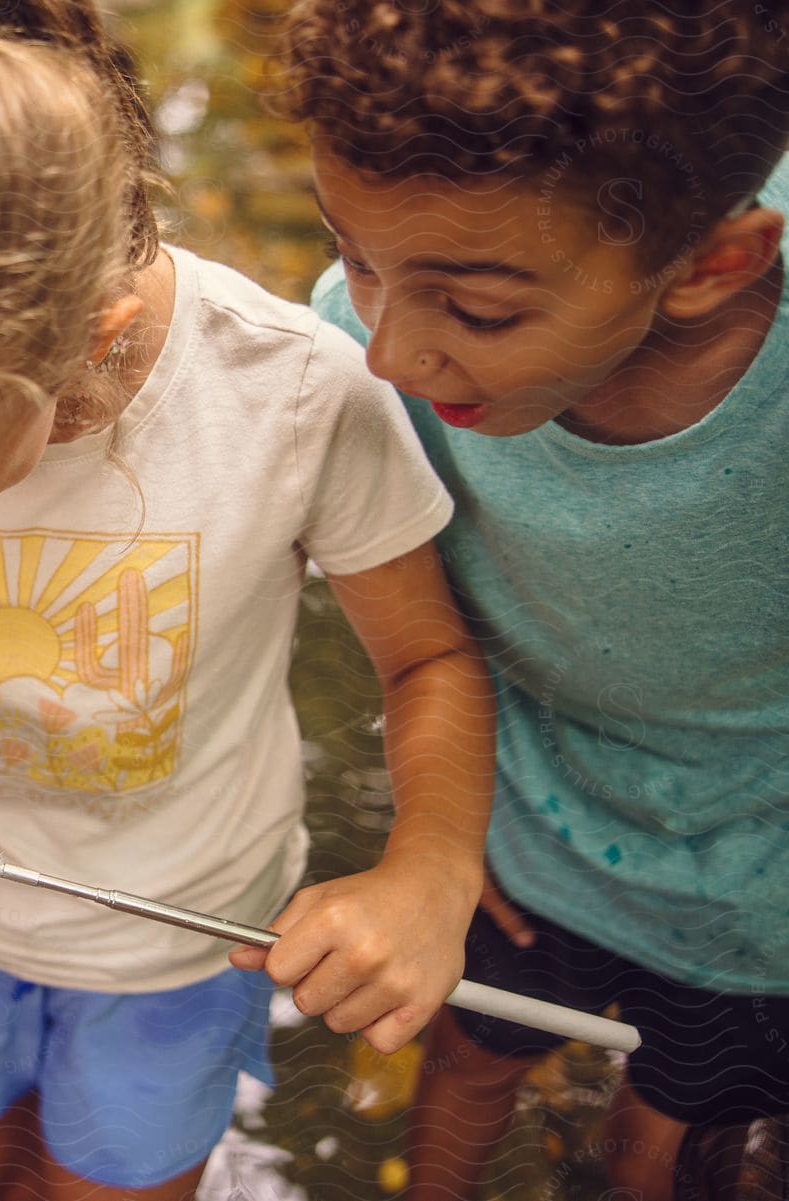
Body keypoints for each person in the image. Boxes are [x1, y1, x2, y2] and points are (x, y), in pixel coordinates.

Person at [0, 2, 498, 1197]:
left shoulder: (298, 399)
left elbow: (429, 664)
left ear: (87, 345)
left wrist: (429, 872)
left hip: (184, 940)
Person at [273, 1, 789, 1196]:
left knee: (668, 1122)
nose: (387, 351)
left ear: (714, 265)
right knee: (466, 1053)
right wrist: (442, 842)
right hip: (527, 833)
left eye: (482, 310)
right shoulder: (366, 344)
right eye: (353, 252)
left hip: (762, 892)